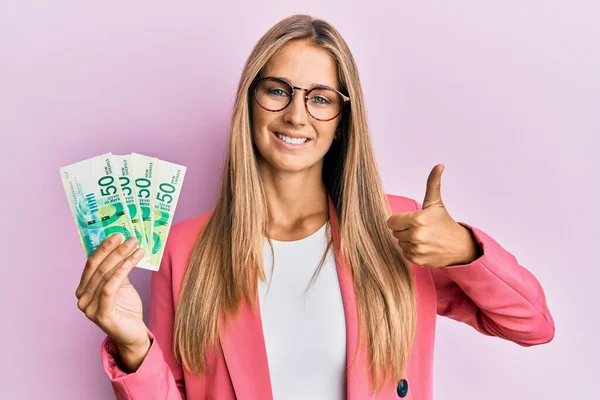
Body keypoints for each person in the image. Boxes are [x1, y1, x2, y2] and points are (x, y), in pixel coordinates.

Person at [75, 14, 555, 400]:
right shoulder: (186, 248)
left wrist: (465, 250)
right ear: (250, 99)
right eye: (278, 90)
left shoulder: (395, 230)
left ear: (343, 118)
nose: (296, 115)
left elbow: (532, 326)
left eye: (321, 98)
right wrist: (134, 346)